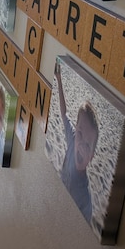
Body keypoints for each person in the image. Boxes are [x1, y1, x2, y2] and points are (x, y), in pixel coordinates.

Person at [54, 62, 99, 223]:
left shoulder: (85, 200)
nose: (80, 145)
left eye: (87, 145)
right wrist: (58, 80)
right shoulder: (73, 140)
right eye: (79, 133)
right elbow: (64, 113)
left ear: (92, 156)